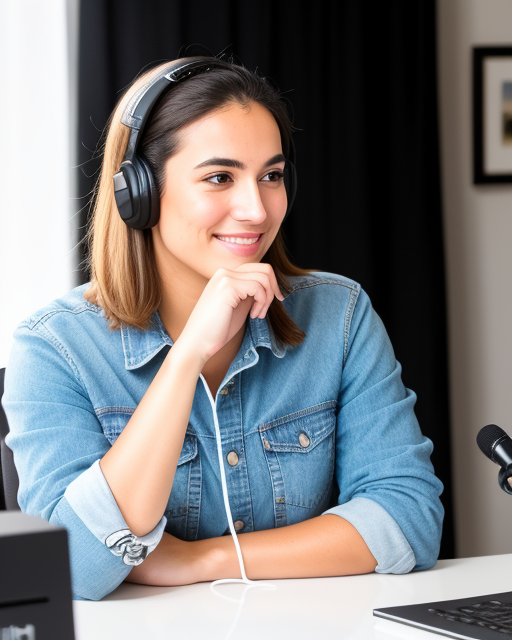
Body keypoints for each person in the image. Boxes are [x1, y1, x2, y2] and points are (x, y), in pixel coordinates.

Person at [2, 55, 444, 601]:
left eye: (272, 176)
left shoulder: (340, 315)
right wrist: (187, 356)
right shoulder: (53, 348)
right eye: (219, 177)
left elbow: (408, 518)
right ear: (137, 192)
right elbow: (70, 566)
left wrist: (201, 560)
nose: (256, 209)